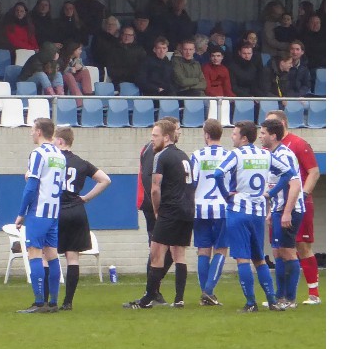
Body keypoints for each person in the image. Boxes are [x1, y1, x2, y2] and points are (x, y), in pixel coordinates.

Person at [213, 121, 289, 313]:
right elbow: (288, 173)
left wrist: (227, 195)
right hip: (258, 213)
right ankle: (272, 301)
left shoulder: (236, 154)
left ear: (244, 138)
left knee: (242, 259)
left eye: (235, 134)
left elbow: (217, 173)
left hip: (238, 211)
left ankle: (251, 303)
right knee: (259, 259)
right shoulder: (266, 154)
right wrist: (271, 194)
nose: (232, 137)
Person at [124, 118, 194, 309]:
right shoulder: (184, 156)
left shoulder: (160, 156)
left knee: (157, 253)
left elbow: (155, 188)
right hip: (187, 210)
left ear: (166, 137)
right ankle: (179, 299)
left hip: (169, 210)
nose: (152, 139)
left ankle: (148, 298)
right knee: (179, 255)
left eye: (155, 136)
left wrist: (157, 210)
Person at [12, 117, 68, 313]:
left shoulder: (38, 154)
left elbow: (31, 187)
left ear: (38, 132)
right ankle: (53, 302)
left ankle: (39, 303)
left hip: (39, 211)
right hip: (53, 211)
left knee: (34, 253)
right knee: (52, 255)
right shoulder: (60, 155)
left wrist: (21, 214)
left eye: (32, 129)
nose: (30, 133)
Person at [52, 126, 110, 311]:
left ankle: (48, 300)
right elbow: (105, 180)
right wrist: (85, 198)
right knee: (73, 258)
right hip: (77, 211)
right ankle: (68, 302)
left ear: (60, 141)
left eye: (54, 140)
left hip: (57, 210)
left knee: (48, 255)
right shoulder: (81, 163)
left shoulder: (52, 160)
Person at [268, 108, 321, 304]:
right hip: (278, 205)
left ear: (280, 125)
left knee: (302, 246)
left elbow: (314, 172)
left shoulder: (298, 144)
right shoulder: (269, 149)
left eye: (268, 124)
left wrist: (303, 195)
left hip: (298, 203)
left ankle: (313, 293)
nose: (263, 131)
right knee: (279, 249)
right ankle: (281, 294)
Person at [261, 117, 307, 309]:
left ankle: (290, 299)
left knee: (288, 253)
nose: (260, 136)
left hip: (291, 210)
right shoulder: (272, 154)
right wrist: (272, 211)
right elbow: (276, 186)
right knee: (278, 252)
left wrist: (287, 212)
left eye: (263, 133)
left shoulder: (284, 155)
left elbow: (295, 185)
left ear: (273, 135)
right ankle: (280, 297)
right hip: (279, 209)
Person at [189, 118, 230, 306]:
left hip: (200, 208)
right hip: (222, 207)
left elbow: (192, 182)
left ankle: (205, 294)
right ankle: (208, 291)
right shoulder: (229, 155)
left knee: (202, 250)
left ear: (206, 134)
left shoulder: (197, 155)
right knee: (221, 250)